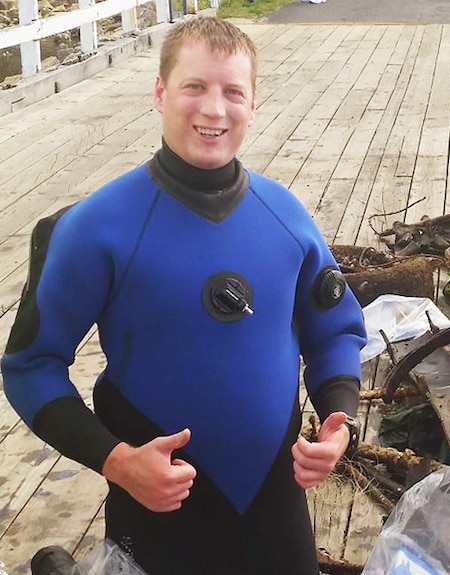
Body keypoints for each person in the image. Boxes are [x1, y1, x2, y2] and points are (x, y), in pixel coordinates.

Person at [2, 15, 366, 575]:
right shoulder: (96, 227)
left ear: (252, 104)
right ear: (159, 92)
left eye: (232, 92)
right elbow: (30, 365)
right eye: (194, 86)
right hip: (155, 492)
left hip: (273, 494)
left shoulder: (286, 218)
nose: (213, 109)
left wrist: (339, 418)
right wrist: (116, 460)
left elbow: (335, 330)